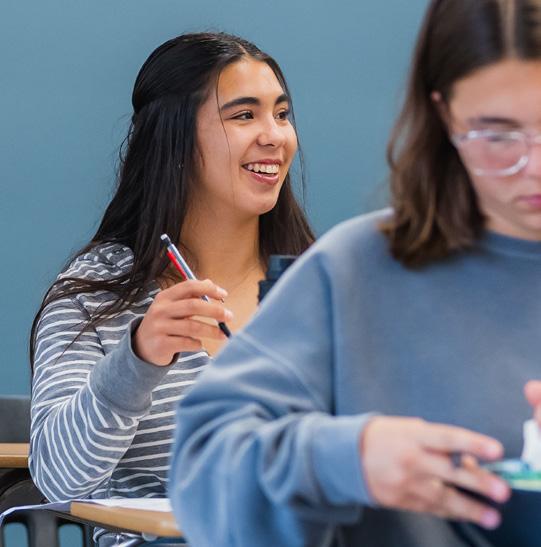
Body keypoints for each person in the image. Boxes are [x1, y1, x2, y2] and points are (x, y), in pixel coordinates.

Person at [169, 1, 541, 545]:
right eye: (497, 136)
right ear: (443, 116)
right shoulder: (357, 272)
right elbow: (203, 474)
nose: (534, 167)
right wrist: (345, 459)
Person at [29, 32, 314, 546]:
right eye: (244, 115)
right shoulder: (96, 295)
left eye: (282, 114)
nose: (274, 136)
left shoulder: (318, 283)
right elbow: (57, 478)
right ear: (174, 138)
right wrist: (137, 360)